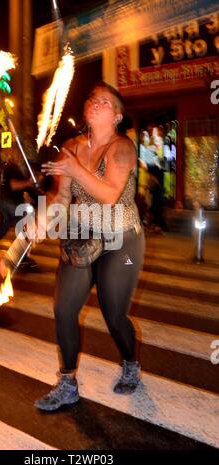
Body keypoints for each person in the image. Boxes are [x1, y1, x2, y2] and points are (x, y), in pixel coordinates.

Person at [34, 81, 145, 412]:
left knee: (113, 313)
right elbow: (63, 197)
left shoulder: (122, 147)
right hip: (81, 238)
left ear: (118, 116)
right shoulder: (71, 147)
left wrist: (74, 169)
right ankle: (67, 382)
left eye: (104, 102)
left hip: (121, 241)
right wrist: (45, 218)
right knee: (63, 309)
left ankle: (130, 362)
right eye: (92, 99)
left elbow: (110, 194)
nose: (95, 103)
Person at [0, 156, 39, 269]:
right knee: (26, 225)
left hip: (5, 203)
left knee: (1, 230)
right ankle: (22, 258)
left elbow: (29, 190)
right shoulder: (13, 167)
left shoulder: (14, 169)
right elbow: (14, 185)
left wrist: (35, 194)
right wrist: (29, 183)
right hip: (11, 204)